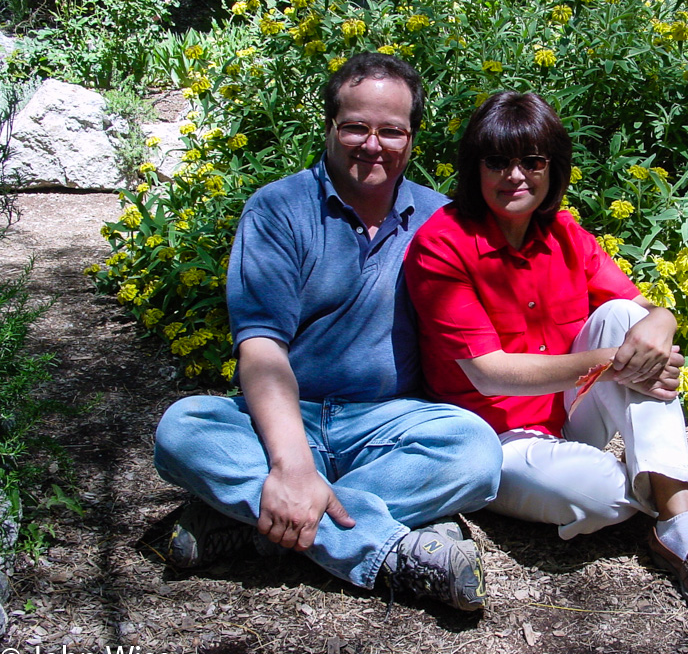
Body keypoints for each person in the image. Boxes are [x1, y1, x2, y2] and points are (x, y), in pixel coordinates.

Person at [153, 53, 503, 612]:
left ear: (411, 137)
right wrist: (292, 463)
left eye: (391, 130)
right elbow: (262, 348)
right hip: (288, 419)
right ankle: (390, 549)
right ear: (329, 127)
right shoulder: (277, 210)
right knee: (183, 428)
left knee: (477, 451)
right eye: (356, 127)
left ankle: (255, 524)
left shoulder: (442, 220)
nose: (373, 144)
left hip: (388, 424)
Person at [404, 91, 688, 619]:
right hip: (491, 440)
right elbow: (490, 375)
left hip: (564, 416)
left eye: (532, 161)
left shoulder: (565, 234)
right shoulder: (441, 245)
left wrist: (663, 320)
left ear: (552, 169)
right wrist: (613, 362)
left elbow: (640, 309)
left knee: (626, 320)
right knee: (604, 497)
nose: (515, 176)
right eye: (497, 161)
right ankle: (669, 469)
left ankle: (683, 528)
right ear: (475, 169)